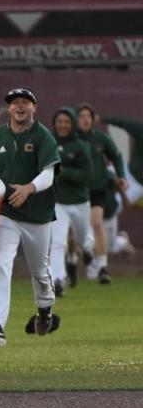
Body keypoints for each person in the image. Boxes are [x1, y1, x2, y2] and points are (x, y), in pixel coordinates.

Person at [0, 87, 61, 347]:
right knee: (1, 263)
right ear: (8, 108)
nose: (20, 106)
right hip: (7, 214)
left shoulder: (42, 136)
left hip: (38, 215)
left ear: (34, 107)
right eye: (15, 103)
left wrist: (28, 189)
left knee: (40, 272)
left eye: (25, 102)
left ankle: (45, 309)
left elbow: (49, 173)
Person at [76, 104, 128, 284]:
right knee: (76, 232)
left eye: (88, 116)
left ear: (92, 119)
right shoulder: (70, 140)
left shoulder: (100, 138)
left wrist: (121, 175)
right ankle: (87, 251)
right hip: (76, 190)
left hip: (97, 188)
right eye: (81, 116)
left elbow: (116, 155)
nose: (85, 119)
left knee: (97, 222)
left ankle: (103, 267)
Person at [47, 107, 93, 298]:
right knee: (58, 242)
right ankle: (58, 279)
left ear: (72, 124)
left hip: (79, 201)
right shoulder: (48, 143)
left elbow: (87, 175)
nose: (63, 125)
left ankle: (86, 249)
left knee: (82, 239)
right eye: (59, 121)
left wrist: (64, 172)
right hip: (58, 201)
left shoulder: (80, 146)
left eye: (66, 122)